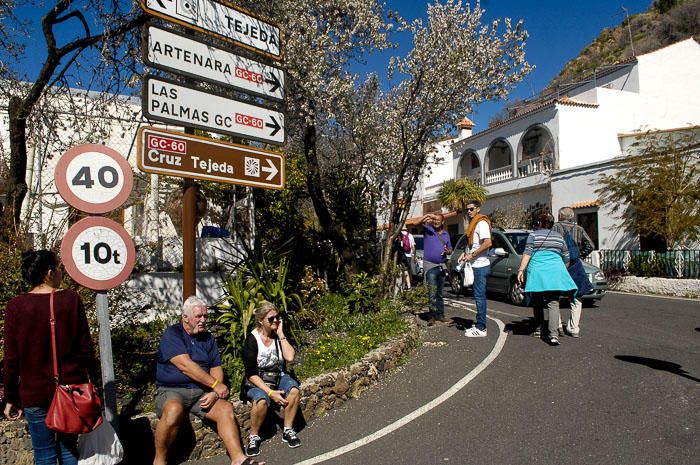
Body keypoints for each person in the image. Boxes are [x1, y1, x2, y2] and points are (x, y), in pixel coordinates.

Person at [3, 250, 95, 465]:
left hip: (34, 392)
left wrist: (10, 397)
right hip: (70, 388)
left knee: (43, 453)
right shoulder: (71, 300)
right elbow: (85, 349)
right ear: (49, 273)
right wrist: (93, 382)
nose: (62, 272)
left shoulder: (15, 306)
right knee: (68, 450)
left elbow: (11, 358)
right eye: (59, 268)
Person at [154, 296, 261, 465]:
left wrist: (214, 392)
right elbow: (185, 366)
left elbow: (215, 367)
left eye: (205, 316)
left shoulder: (207, 338)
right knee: (173, 410)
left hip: (200, 392)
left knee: (225, 408)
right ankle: (159, 461)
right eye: (198, 317)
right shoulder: (172, 334)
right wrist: (215, 385)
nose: (203, 320)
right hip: (172, 390)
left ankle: (238, 459)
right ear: (185, 318)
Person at [242, 301, 301, 457]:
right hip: (258, 378)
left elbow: (289, 357)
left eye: (277, 317)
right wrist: (270, 392)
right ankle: (254, 436)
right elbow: (251, 373)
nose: (275, 321)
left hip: (277, 375)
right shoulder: (252, 340)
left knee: (294, 390)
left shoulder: (278, 335)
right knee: (261, 400)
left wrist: (281, 333)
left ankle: (288, 429)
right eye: (271, 319)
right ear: (261, 321)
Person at [516, 214, 577, 345]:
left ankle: (539, 328)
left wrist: (521, 270)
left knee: (537, 300)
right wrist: (561, 270)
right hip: (555, 270)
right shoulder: (559, 237)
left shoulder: (534, 235)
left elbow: (527, 253)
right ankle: (553, 335)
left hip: (537, 271)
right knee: (553, 302)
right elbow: (566, 257)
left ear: (540, 223)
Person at [552, 207, 595, 337]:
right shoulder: (579, 229)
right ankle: (573, 327)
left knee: (554, 295)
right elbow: (590, 246)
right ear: (571, 217)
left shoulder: (554, 228)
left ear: (560, 216)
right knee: (577, 295)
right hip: (575, 264)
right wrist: (580, 255)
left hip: (558, 264)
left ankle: (557, 325)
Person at [459, 201, 492, 338]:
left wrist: (472, 255)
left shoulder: (481, 223)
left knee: (479, 297)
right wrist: (465, 253)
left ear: (478, 209)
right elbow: (473, 244)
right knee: (478, 296)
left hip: (481, 265)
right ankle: (479, 323)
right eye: (467, 210)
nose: (469, 212)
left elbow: (487, 243)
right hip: (476, 265)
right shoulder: (474, 224)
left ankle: (481, 328)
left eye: (471, 209)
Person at [420, 212, 452, 325]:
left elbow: (450, 249)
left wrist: (448, 251)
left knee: (439, 293)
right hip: (430, 265)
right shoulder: (428, 231)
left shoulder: (446, 234)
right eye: (434, 220)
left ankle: (440, 315)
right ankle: (431, 316)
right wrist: (428, 215)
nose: (436, 221)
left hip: (441, 266)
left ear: (443, 222)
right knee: (432, 292)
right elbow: (416, 223)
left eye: (438, 220)